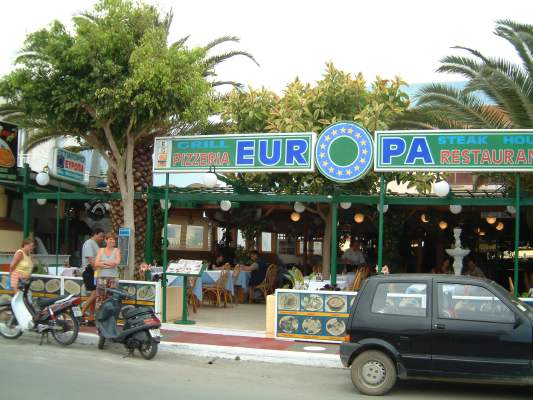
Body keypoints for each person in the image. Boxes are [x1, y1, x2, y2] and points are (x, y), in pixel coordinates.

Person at [80, 228, 104, 322]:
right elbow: (90, 259)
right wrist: (97, 272)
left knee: (95, 294)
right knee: (95, 293)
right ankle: (80, 313)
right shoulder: (89, 243)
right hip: (89, 271)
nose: (102, 238)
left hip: (94, 271)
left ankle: (91, 317)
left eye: (103, 237)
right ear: (95, 234)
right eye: (100, 236)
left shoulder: (95, 245)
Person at [95, 232, 121, 309]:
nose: (113, 241)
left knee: (112, 298)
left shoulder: (117, 250)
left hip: (113, 277)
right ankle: (99, 314)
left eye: (114, 239)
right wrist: (110, 264)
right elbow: (96, 263)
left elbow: (117, 262)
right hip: (101, 277)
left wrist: (103, 263)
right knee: (100, 297)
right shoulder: (100, 250)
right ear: (106, 240)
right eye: (110, 239)